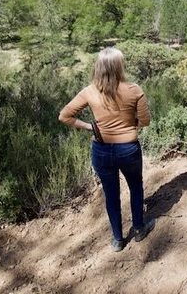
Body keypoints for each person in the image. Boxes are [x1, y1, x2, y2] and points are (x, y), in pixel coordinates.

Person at [59, 47, 155, 252]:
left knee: (111, 195)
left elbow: (64, 116)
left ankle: (118, 239)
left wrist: (89, 126)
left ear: (99, 67)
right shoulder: (134, 90)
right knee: (135, 187)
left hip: (101, 150)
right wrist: (130, 123)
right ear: (119, 66)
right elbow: (145, 121)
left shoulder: (89, 91)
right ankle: (139, 229)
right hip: (128, 149)